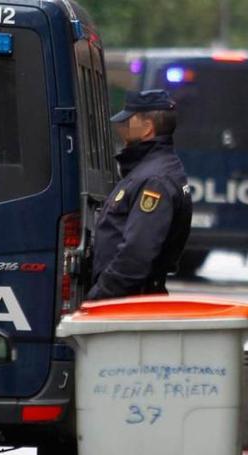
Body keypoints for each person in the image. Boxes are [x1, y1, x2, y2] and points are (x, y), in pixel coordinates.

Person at [87, 90, 193, 300]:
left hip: (128, 302)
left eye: (129, 120)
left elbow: (136, 253)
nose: (121, 126)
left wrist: (100, 296)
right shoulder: (151, 169)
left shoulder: (154, 180)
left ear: (147, 128)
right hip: (131, 298)